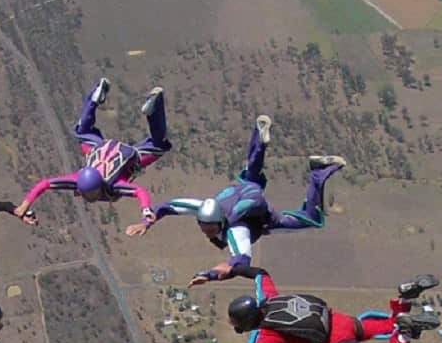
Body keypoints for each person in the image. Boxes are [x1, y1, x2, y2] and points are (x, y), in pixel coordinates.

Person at [127, 114, 345, 284]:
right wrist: (147, 221)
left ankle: (319, 172)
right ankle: (259, 138)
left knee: (312, 220)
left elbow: (240, 263)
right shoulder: (202, 207)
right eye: (204, 227)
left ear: (221, 222)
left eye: (210, 229)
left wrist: (210, 275)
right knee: (251, 175)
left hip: (265, 218)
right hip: (245, 191)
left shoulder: (235, 231)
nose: (206, 232)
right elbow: (169, 206)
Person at [176, 264, 441, 343]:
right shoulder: (269, 298)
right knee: (390, 324)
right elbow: (260, 273)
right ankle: (405, 298)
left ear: (247, 324)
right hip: (343, 321)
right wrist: (230, 271)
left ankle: (405, 335)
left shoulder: (266, 337)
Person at [14, 78, 170, 223]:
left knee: (159, 145)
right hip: (98, 148)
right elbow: (45, 184)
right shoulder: (78, 180)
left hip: (130, 156)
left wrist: (146, 209)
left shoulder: (113, 184)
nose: (87, 197)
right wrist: (25, 205)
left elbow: (139, 191)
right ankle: (99, 99)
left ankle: (150, 110)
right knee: (82, 131)